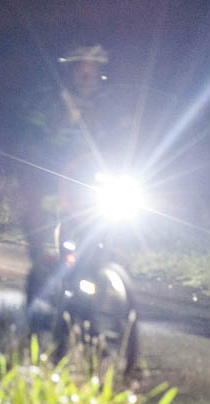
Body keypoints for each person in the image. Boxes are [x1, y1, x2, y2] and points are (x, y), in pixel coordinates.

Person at [17, 43, 129, 304]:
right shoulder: (51, 101)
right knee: (49, 223)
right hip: (54, 176)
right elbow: (33, 137)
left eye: (92, 70)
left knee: (111, 220)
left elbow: (126, 137)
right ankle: (48, 277)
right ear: (71, 72)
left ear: (100, 73)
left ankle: (102, 274)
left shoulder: (111, 103)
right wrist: (63, 119)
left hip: (94, 179)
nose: (87, 76)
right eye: (81, 70)